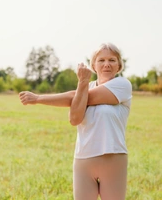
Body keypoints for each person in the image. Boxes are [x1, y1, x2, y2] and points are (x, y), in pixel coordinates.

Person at [19, 43, 132, 200]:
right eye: (101, 60)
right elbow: (74, 119)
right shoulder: (83, 88)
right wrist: (82, 83)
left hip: (113, 157)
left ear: (119, 65)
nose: (107, 64)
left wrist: (38, 98)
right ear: (93, 64)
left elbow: (78, 96)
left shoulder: (122, 85)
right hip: (83, 158)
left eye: (112, 60)